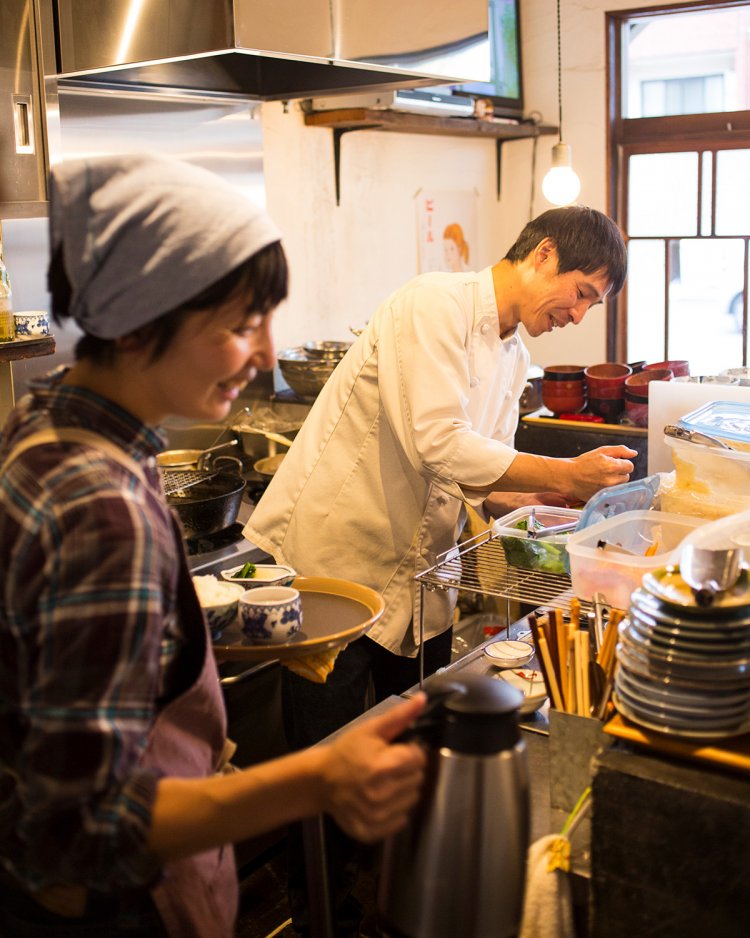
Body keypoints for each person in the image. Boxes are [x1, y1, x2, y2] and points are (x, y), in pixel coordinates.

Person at [0, 153, 429, 938]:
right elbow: (82, 828)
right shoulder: (104, 511)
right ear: (134, 322)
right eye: (240, 324)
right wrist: (317, 779)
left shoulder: (44, 428)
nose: (266, 354)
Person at [244, 204, 637, 934]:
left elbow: (483, 475)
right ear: (544, 255)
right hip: (339, 568)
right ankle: (319, 912)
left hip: (419, 579)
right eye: (582, 291)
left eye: (592, 303)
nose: (579, 314)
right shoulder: (433, 305)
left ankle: (387, 897)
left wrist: (560, 503)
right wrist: (563, 469)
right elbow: (437, 442)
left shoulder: (514, 355)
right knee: (330, 760)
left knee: (411, 754)